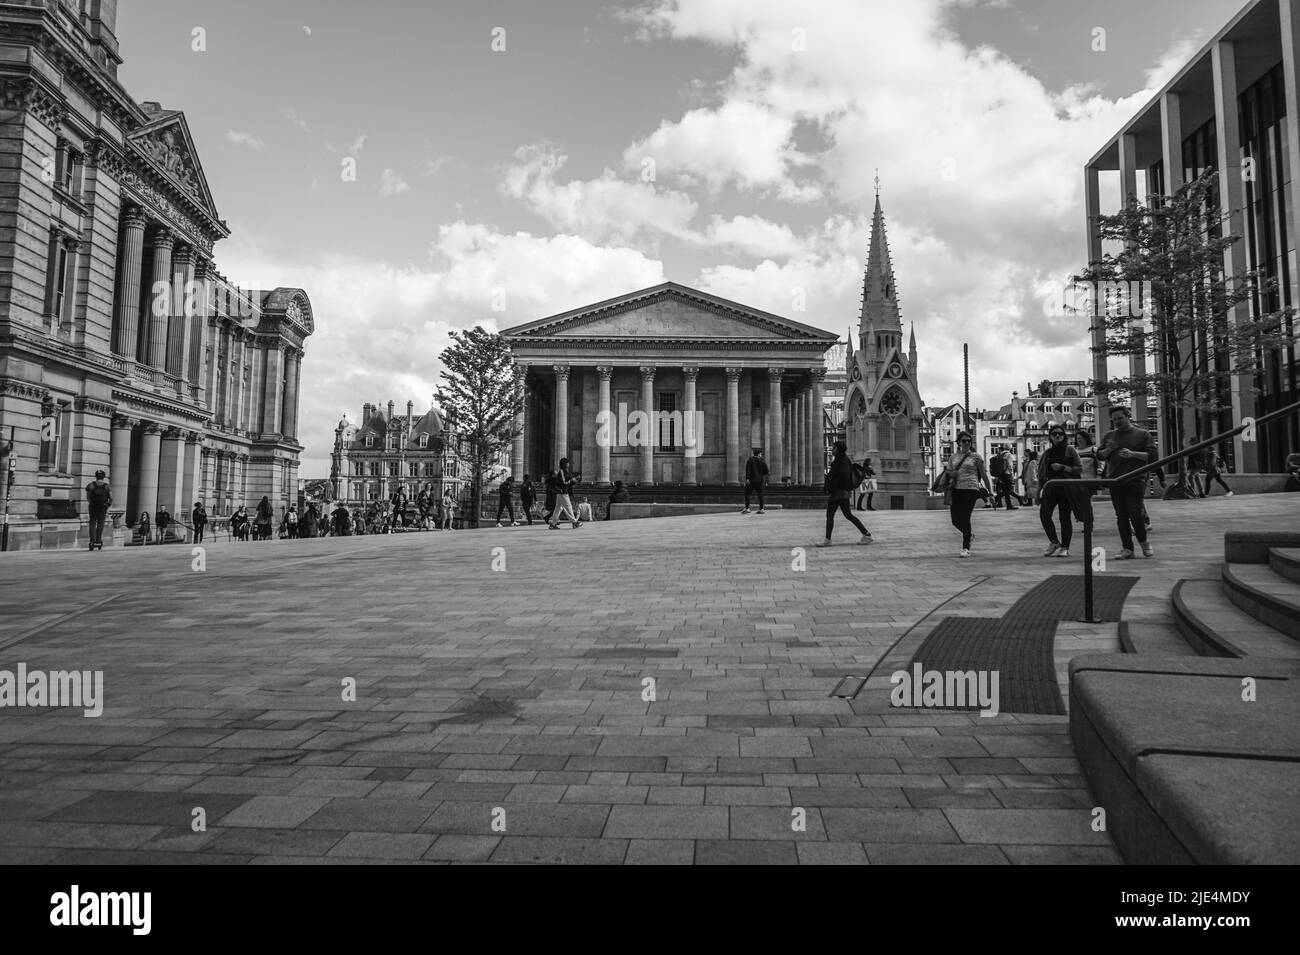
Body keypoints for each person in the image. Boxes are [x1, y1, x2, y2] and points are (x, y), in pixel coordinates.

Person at [1097, 406, 1153, 559]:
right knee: (1121, 515)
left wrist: (1132, 454)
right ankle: (1127, 548)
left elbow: (1152, 456)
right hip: (1116, 480)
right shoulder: (1109, 436)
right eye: (1114, 419)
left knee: (1134, 511)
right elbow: (1100, 456)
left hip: (1136, 478)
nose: (1117, 422)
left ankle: (1143, 542)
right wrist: (1108, 450)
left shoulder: (1143, 435)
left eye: (1120, 418)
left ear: (1128, 416)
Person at [815, 440, 873, 547]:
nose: (832, 450)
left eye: (834, 448)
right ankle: (866, 534)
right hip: (840, 492)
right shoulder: (840, 459)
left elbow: (843, 476)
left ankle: (828, 540)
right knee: (846, 515)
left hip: (839, 492)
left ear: (838, 449)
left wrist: (832, 485)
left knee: (834, 515)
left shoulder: (843, 460)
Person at [1038, 427, 1082, 558]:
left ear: (1064, 435)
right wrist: (1038, 490)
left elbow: (1079, 468)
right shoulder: (1048, 453)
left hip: (1066, 488)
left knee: (1065, 518)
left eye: (1060, 434)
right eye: (1054, 434)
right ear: (1050, 436)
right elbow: (1041, 473)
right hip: (1051, 487)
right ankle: (1054, 541)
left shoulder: (1070, 450)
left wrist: (1063, 467)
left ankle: (1065, 547)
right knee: (1044, 515)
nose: (1057, 436)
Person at [944, 431, 989, 558]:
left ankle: (966, 547)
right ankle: (969, 534)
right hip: (956, 489)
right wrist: (951, 474)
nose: (967, 443)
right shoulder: (953, 457)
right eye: (964, 441)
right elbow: (948, 472)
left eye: (969, 441)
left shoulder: (976, 457)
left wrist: (990, 491)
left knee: (965, 517)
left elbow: (983, 474)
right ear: (959, 442)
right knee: (955, 520)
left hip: (971, 489)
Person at [549, 458, 580, 530]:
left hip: (561, 493)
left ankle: (553, 524)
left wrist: (574, 480)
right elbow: (564, 482)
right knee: (568, 507)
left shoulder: (565, 472)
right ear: (565, 464)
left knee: (558, 509)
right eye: (568, 463)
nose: (569, 464)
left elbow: (569, 481)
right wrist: (571, 480)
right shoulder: (562, 472)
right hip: (563, 492)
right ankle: (574, 522)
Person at [85, 469, 111, 551]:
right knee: (100, 524)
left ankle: (92, 540)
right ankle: (98, 540)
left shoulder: (91, 485)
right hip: (102, 507)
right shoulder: (107, 486)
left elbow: (88, 497)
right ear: (103, 477)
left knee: (92, 523)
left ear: (96, 476)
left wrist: (92, 503)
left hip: (93, 506)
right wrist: (107, 504)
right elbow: (111, 498)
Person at [741, 448, 769, 515]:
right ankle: (761, 509)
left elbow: (748, 470)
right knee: (760, 495)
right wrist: (761, 475)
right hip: (760, 481)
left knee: (747, 494)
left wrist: (747, 478)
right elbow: (767, 471)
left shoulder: (750, 460)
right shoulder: (762, 460)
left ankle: (747, 508)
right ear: (759, 454)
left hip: (751, 481)